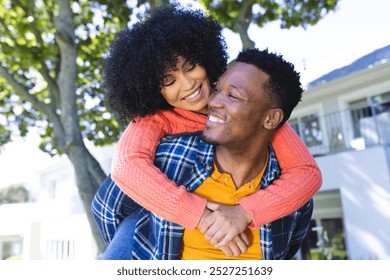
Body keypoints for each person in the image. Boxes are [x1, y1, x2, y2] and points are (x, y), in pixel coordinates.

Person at [91, 5, 321, 253]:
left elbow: (306, 173)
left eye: (190, 67)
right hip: (153, 220)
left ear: (205, 57)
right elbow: (126, 167)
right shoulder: (156, 119)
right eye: (169, 81)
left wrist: (244, 212)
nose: (188, 84)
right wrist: (200, 216)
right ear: (152, 89)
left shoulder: (247, 111)